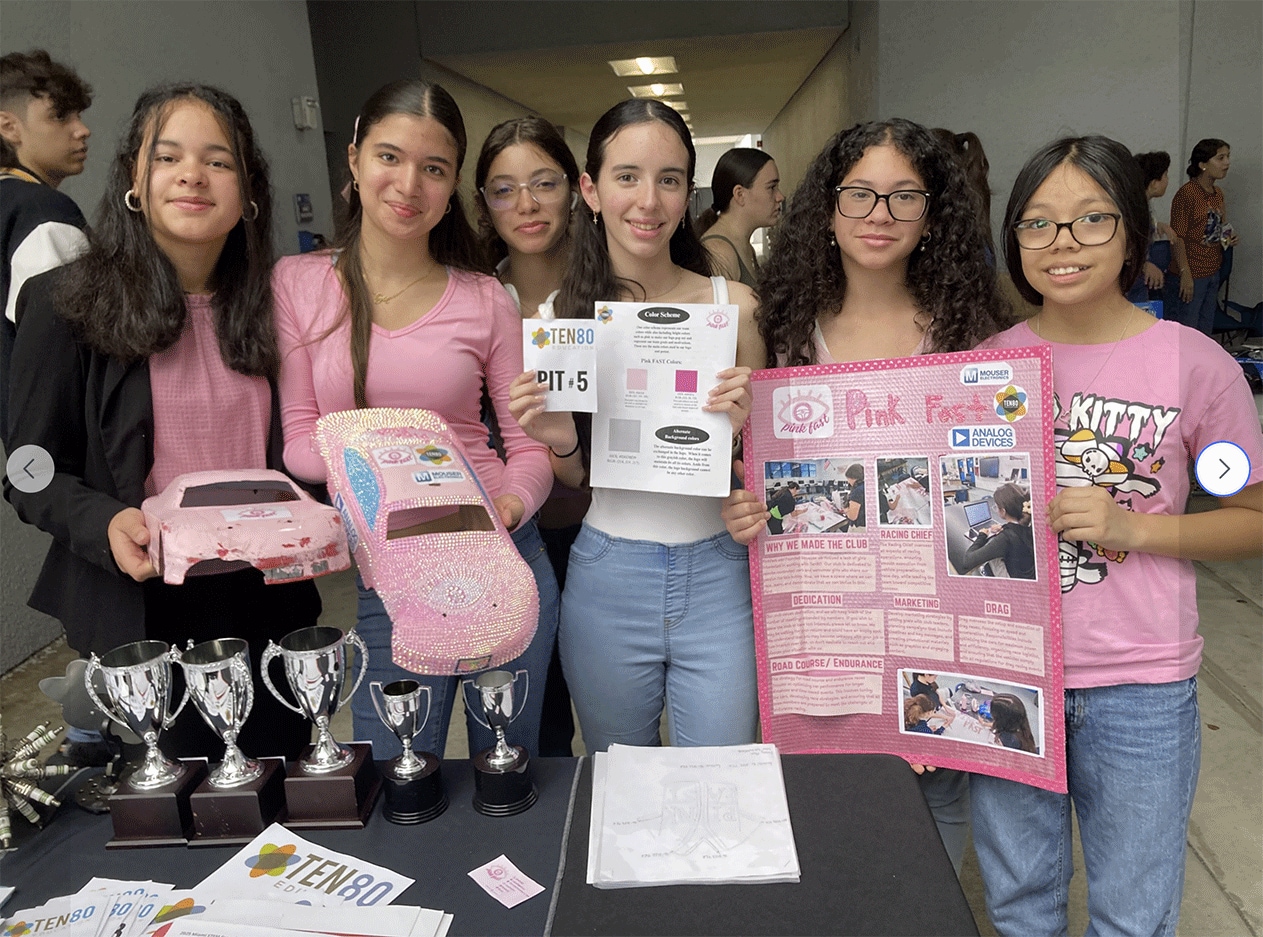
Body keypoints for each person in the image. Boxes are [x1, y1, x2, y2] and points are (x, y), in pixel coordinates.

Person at [972, 134, 1263, 935]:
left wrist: (1135, 525)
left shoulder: (1195, 363)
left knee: (1133, 918)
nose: (1061, 242)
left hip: (1140, 686)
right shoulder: (983, 367)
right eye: (1037, 222)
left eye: (1090, 218)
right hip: (1009, 676)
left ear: (1132, 229)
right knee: (1019, 909)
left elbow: (1252, 519)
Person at [720, 118, 1010, 875]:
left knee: (934, 814)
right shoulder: (784, 332)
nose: (879, 214)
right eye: (859, 193)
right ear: (827, 209)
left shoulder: (972, 337)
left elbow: (985, 493)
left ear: (933, 215)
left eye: (904, 196)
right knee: (823, 814)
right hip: (824, 625)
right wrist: (750, 505)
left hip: (935, 617)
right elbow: (770, 479)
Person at [4, 83, 320, 762]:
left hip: (270, 599)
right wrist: (103, 522)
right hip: (148, 602)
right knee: (184, 803)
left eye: (218, 160)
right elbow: (28, 470)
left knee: (286, 793)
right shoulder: (64, 303)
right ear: (134, 181)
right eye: (167, 157)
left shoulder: (280, 305)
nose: (192, 175)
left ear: (249, 191)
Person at [273, 79, 557, 762]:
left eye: (433, 168)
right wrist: (388, 474)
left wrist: (511, 505)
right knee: (395, 776)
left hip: (498, 554)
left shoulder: (486, 298)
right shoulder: (299, 282)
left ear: (453, 184)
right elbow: (299, 439)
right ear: (353, 159)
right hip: (389, 573)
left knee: (505, 776)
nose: (408, 185)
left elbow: (528, 445)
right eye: (389, 157)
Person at [508, 98, 761, 752]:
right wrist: (559, 437)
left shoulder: (733, 308)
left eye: (668, 179)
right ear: (591, 190)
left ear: (687, 192)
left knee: (721, 779)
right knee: (621, 780)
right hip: (607, 573)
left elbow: (763, 470)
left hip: (720, 571)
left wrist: (746, 437)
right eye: (627, 176)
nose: (648, 201)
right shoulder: (560, 318)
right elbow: (575, 474)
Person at [473, 115, 584, 756]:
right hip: (509, 528)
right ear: (484, 203)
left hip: (601, 523)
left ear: (574, 188)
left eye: (544, 183)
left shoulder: (613, 289)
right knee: (534, 717)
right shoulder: (473, 295)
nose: (527, 204)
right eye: (504, 189)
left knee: (605, 696)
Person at [0, 50, 92, 445]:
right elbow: (65, 349)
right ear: (9, 126)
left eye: (79, 115)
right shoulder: (43, 212)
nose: (82, 130)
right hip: (63, 452)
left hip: (24, 446)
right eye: (60, 117)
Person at [1167, 138, 1236, 335]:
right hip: (1191, 271)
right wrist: (1185, 273)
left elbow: (1220, 226)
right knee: (1187, 331)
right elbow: (1177, 237)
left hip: (1212, 270)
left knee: (1205, 331)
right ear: (1203, 164)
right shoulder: (1187, 194)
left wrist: (1228, 238)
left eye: (1228, 157)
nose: (1227, 163)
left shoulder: (1217, 193)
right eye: (1220, 158)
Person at [695, 147, 782, 288]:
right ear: (740, 195)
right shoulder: (719, 253)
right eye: (771, 187)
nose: (780, 197)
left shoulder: (745, 247)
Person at [1128, 151, 1190, 309]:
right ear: (1154, 183)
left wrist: (1158, 225)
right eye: (1165, 175)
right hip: (1131, 283)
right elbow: (1123, 245)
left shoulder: (1141, 205)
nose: (1167, 180)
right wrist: (1144, 265)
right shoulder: (1133, 210)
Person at [958, 483, 1035, 579]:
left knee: (993, 558)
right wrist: (1004, 527)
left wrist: (982, 535)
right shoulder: (1029, 524)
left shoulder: (1005, 538)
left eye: (996, 507)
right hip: (1029, 574)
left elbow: (967, 561)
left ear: (1003, 511)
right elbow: (1016, 530)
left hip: (1014, 581)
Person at [843, 463, 866, 530]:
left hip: (859, 528)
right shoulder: (865, 486)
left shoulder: (857, 491)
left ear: (852, 477)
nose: (848, 482)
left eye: (848, 479)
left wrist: (846, 510)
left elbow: (852, 516)